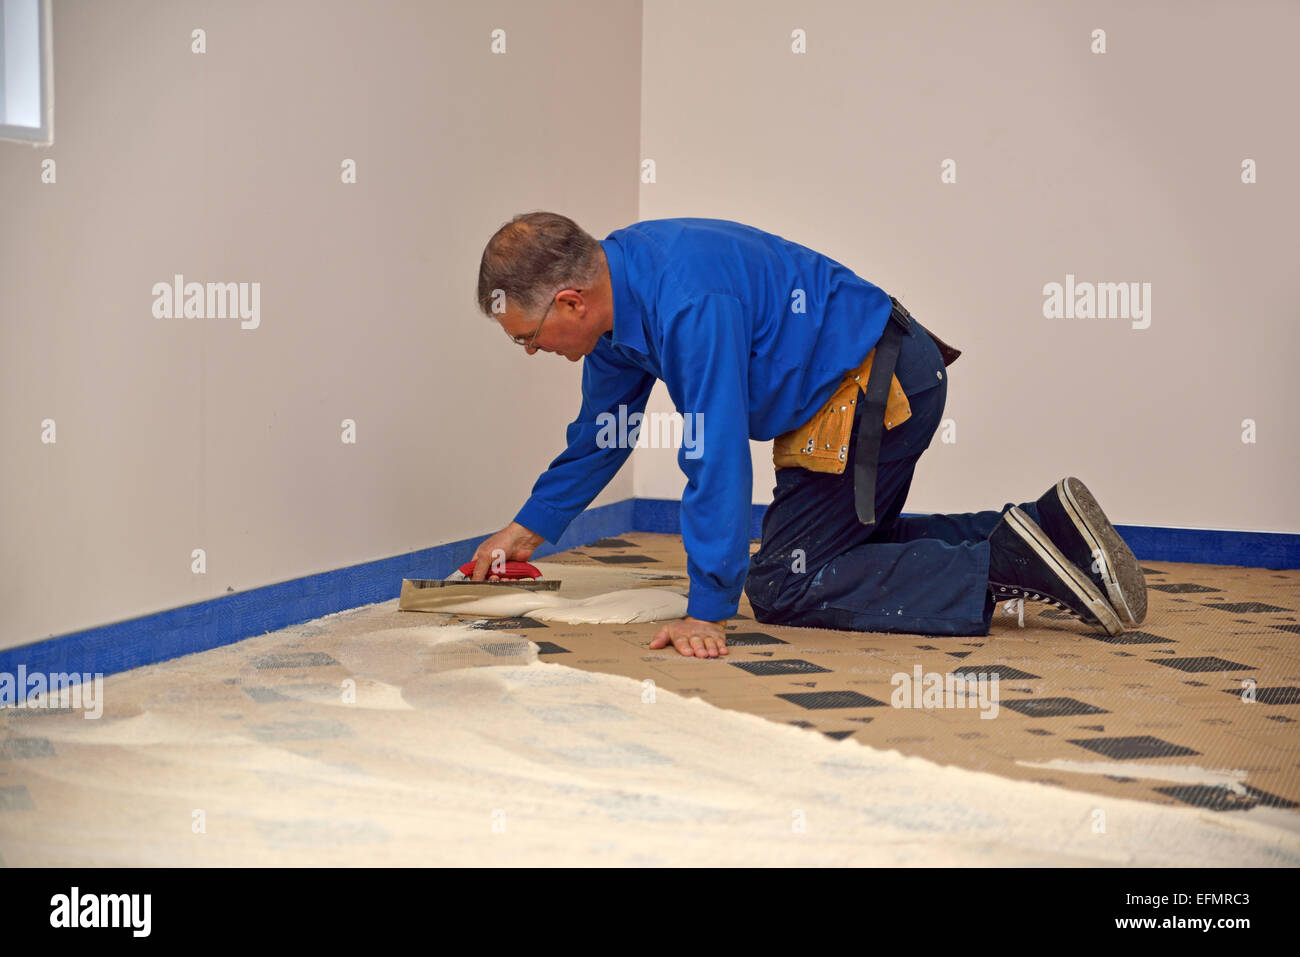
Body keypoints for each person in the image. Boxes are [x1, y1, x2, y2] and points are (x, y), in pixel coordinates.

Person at [468, 212, 1147, 658]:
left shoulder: (686, 300)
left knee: (787, 582)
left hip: (880, 387)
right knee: (829, 552)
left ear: (569, 302)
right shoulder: (614, 317)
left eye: (529, 338)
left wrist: (708, 608)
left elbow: (716, 450)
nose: (533, 351)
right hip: (837, 397)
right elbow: (601, 435)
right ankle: (1038, 529)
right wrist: (523, 532)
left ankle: (1007, 564)